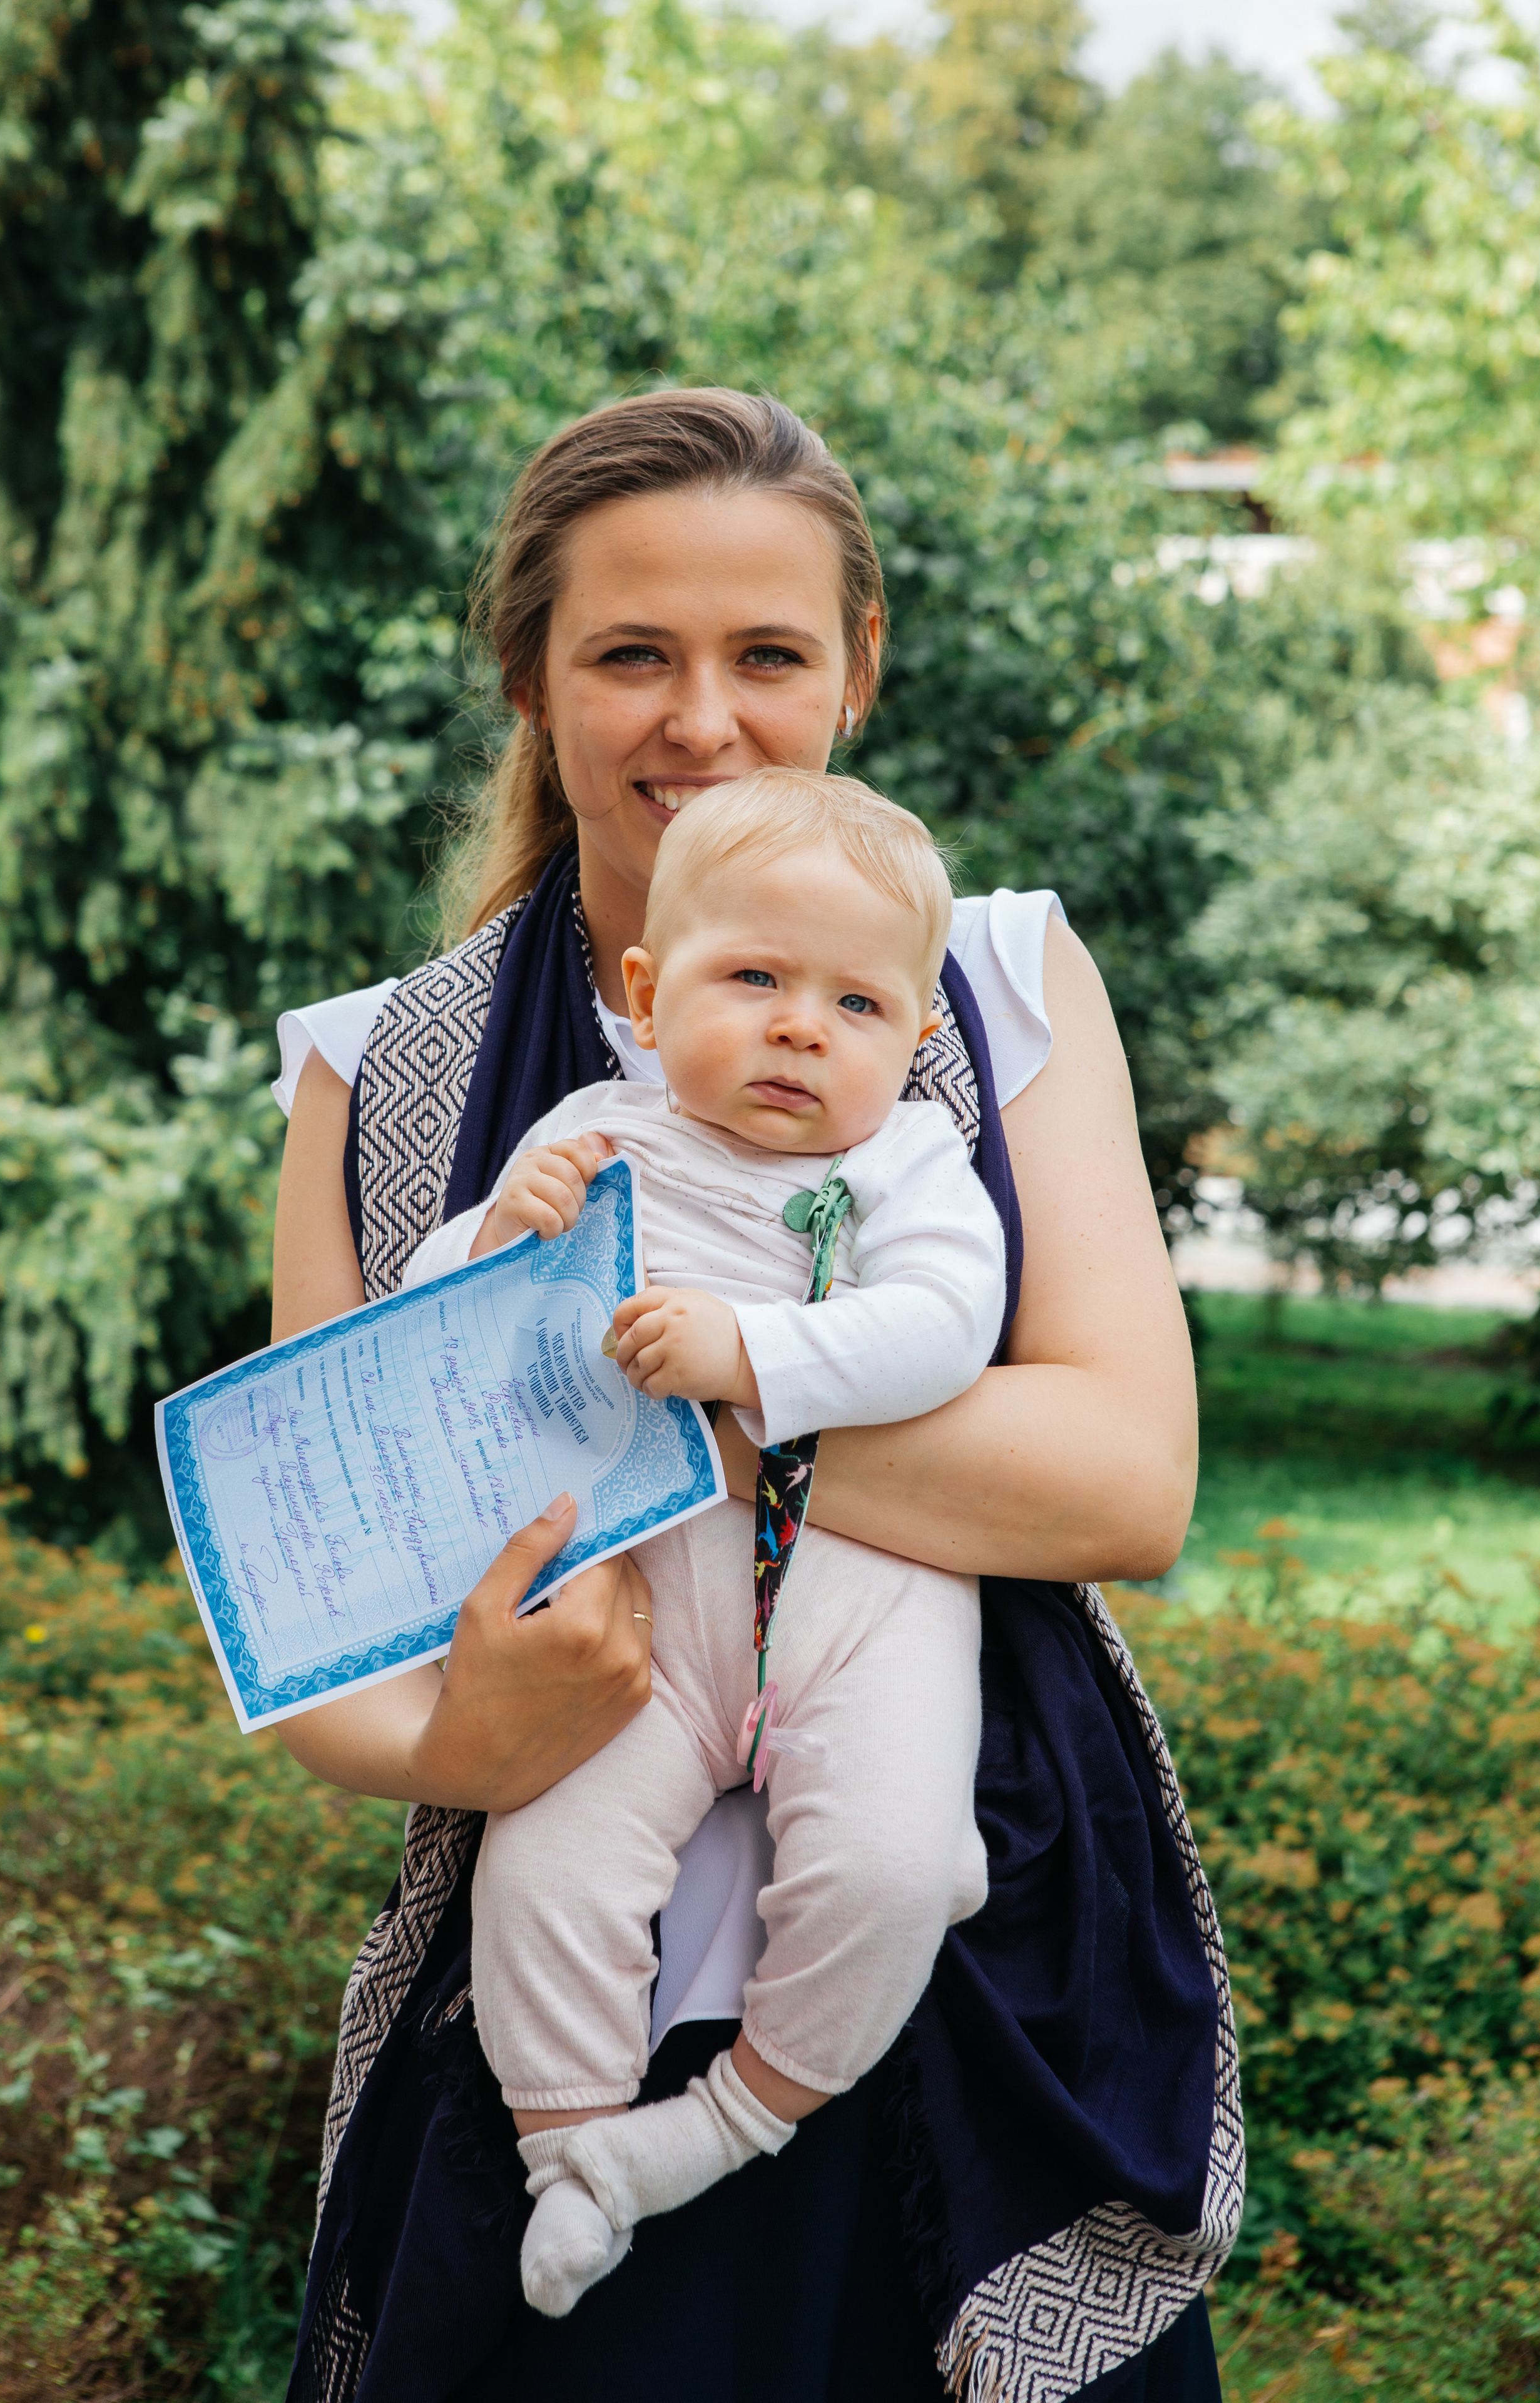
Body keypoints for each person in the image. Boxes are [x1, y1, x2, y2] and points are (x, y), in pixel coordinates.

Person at [272, 387, 1242, 2403]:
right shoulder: (389, 1079)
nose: (699, 719)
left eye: (768, 656)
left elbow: (1120, 1480)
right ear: (532, 679)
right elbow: (329, 1616)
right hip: (572, 1990)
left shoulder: (997, 987)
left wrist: (676, 1400)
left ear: (856, 675)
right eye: (631, 653)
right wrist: (465, 1731)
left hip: (975, 1976)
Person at [402, 767, 1007, 2318]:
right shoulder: (596, 1134)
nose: (805, 1026)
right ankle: (569, 2153)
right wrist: (492, 1233)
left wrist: (750, 1350)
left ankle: (718, 2128)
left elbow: (948, 1327)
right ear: (648, 996)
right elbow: (437, 1333)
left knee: (885, 1871)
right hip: (649, 1629)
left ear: (919, 1041)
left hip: (861, 1618)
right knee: (543, 1871)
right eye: (755, 980)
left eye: (859, 1006)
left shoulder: (903, 1170)